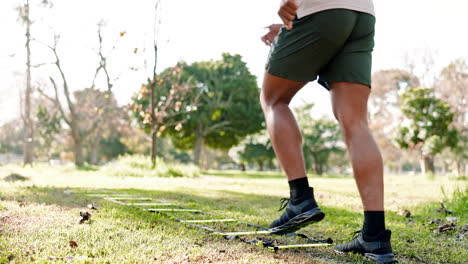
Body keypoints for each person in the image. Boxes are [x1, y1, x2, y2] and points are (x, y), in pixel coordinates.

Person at [260, 0, 397, 263]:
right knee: (356, 122)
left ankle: (300, 199)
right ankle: (375, 236)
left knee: (273, 100)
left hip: (319, 8)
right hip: (361, 14)